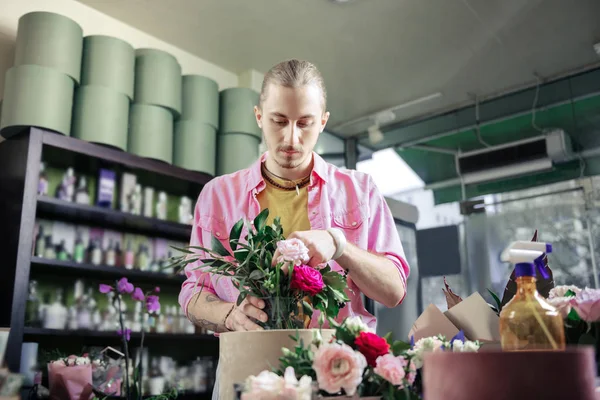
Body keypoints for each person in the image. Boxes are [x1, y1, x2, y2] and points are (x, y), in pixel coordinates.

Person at [178, 58, 409, 332]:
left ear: (323, 122)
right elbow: (193, 291)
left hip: (336, 365)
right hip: (248, 365)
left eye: (304, 123)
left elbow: (394, 290)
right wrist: (229, 315)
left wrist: (340, 245)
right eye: (279, 121)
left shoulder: (360, 191)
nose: (290, 138)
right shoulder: (217, 195)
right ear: (259, 116)